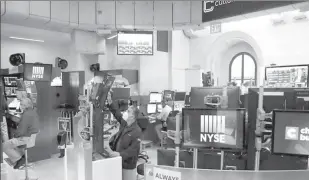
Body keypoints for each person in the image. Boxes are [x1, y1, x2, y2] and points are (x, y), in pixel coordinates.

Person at [105, 92, 142, 180]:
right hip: (119, 161)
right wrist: (110, 101)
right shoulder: (125, 124)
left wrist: (119, 154)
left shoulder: (137, 131)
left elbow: (133, 150)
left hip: (128, 165)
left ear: (132, 116)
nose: (125, 112)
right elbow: (117, 113)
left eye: (128, 111)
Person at [2, 98, 39, 169]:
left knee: (4, 146)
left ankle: (18, 160)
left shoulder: (26, 115)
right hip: (30, 137)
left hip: (25, 138)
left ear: (26, 105)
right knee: (12, 145)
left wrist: (15, 136)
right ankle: (22, 157)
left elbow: (21, 131)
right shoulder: (33, 112)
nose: (20, 106)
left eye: (22, 105)